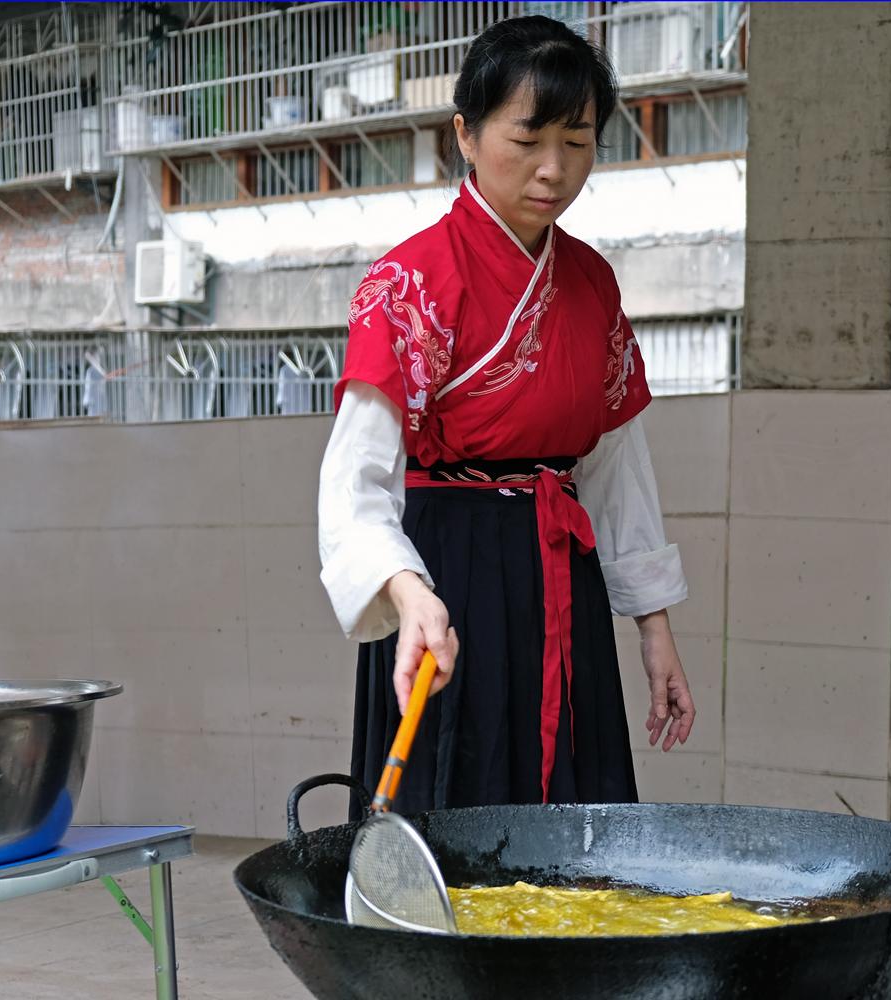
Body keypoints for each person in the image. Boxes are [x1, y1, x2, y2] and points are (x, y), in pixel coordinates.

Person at [318, 15, 695, 817]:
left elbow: (616, 469)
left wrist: (654, 631)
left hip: (565, 578)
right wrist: (408, 594)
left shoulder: (592, 283)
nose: (553, 170)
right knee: (457, 815)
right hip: (447, 582)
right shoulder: (412, 282)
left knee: (574, 823)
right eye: (526, 140)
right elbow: (355, 483)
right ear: (467, 132)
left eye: (578, 141)